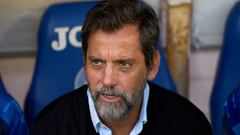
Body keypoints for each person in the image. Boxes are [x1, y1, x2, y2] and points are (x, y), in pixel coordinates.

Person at [30, 0, 212, 135]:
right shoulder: (50, 128)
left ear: (153, 65)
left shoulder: (189, 126)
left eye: (124, 64)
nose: (108, 80)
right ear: (84, 62)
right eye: (97, 62)